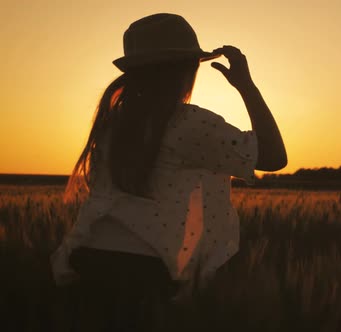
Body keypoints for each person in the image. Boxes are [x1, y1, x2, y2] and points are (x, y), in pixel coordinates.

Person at [50, 13, 287, 331]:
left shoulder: (112, 124)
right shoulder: (189, 123)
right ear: (187, 70)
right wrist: (246, 86)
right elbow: (273, 157)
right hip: (146, 276)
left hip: (85, 263)